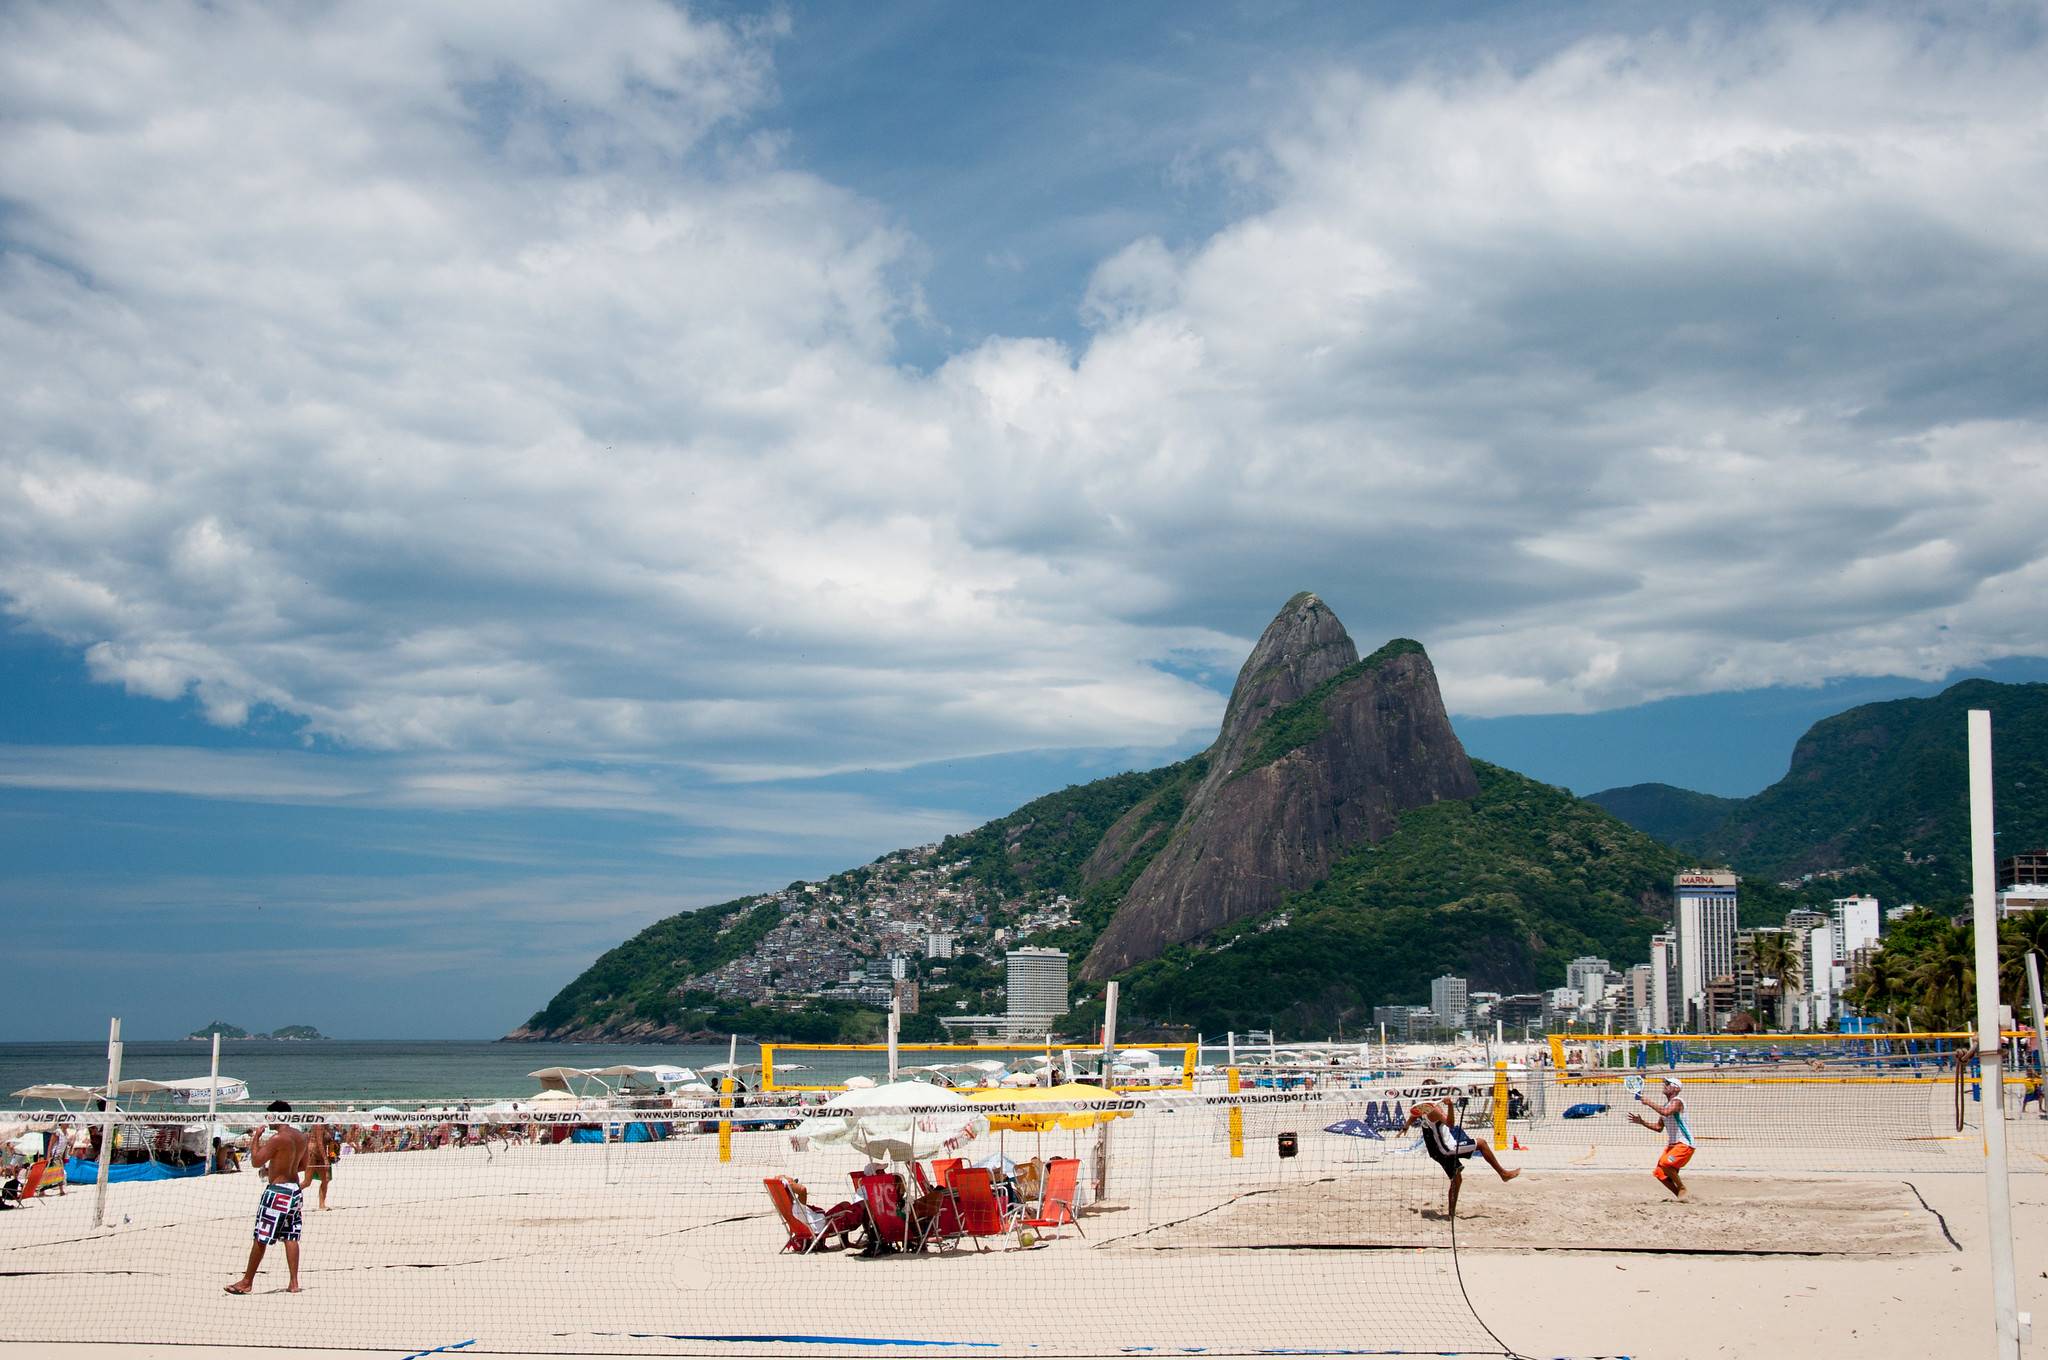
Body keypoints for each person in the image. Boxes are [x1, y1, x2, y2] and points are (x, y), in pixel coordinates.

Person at [225, 1101, 307, 1295]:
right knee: (290, 1236)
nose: (267, 1119)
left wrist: (256, 1137)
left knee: (261, 1237)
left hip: (277, 1192)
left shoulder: (278, 1138)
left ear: (277, 1116)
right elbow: (302, 1166)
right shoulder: (301, 1137)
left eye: (269, 1115)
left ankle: (247, 1282)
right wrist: (277, 1168)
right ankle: (294, 1283)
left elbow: (254, 1161)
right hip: (294, 1190)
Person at [1402, 1094, 1518, 1218]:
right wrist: (1451, 1105)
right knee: (1481, 1143)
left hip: (1437, 1151)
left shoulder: (1425, 1107)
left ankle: (1451, 1214)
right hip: (1447, 1149)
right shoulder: (1434, 1110)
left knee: (1457, 1179)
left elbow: (1414, 1114)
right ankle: (1503, 1174)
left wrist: (1406, 1126)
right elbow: (1451, 1124)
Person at [1627, 1076, 1695, 1199]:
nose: (1664, 1085)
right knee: (1659, 1173)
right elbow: (1659, 1127)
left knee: (1665, 1163)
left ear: (1676, 1088)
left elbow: (1665, 1112)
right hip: (1673, 1145)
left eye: (1668, 1083)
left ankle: (1682, 1187)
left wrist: (1648, 1102)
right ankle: (1681, 1196)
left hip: (1685, 1144)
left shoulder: (1677, 1102)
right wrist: (1642, 1122)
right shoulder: (1666, 1105)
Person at [302, 1120, 336, 1210]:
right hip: (312, 1154)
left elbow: (329, 1142)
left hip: (321, 1154)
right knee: (307, 1182)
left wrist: (333, 1154)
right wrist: (325, 1159)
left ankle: (322, 1205)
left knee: (326, 1179)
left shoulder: (327, 1125)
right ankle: (289, 1195)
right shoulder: (319, 1125)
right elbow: (320, 1143)